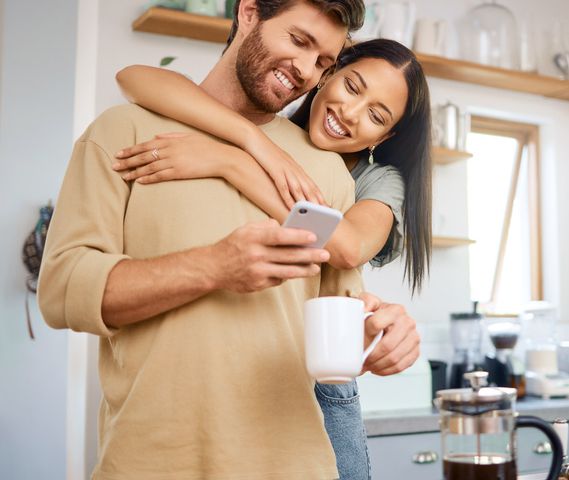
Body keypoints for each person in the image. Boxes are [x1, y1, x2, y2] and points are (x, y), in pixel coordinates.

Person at [38, 0, 420, 478]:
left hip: (295, 466)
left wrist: (382, 336)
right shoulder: (124, 132)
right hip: (150, 463)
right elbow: (60, 292)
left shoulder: (326, 172)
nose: (304, 71)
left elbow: (340, 321)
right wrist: (214, 267)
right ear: (248, 12)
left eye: (322, 62)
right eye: (298, 41)